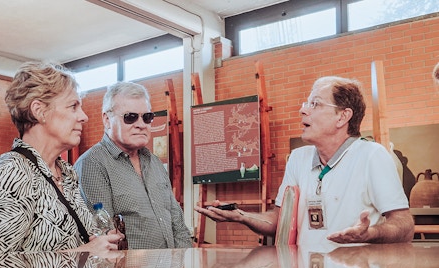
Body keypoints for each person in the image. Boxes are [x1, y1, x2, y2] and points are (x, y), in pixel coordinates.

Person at [195, 76, 415, 245]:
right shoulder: (298, 159)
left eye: (315, 104)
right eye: (306, 103)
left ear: (342, 116)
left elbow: (404, 225)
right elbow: (278, 219)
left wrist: (371, 234)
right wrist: (241, 216)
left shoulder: (371, 155)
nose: (302, 110)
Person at [0, 61, 123, 267]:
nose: (84, 117)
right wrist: (84, 252)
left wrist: (98, 243)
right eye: (73, 106)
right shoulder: (11, 173)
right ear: (39, 111)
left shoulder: (66, 173)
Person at [74, 81, 191, 249]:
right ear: (107, 120)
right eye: (130, 117)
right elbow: (104, 238)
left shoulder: (154, 162)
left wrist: (185, 267)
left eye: (147, 117)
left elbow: (178, 224)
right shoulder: (92, 164)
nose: (141, 124)